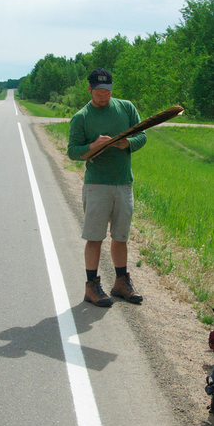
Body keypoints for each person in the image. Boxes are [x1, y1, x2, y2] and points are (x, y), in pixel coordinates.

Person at [67, 67, 146, 307]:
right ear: (90, 89)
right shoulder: (81, 117)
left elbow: (142, 135)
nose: (104, 96)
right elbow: (72, 151)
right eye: (99, 92)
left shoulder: (126, 108)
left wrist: (128, 143)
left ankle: (121, 283)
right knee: (95, 237)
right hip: (97, 186)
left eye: (108, 92)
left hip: (123, 184)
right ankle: (92, 287)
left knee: (120, 237)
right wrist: (92, 146)